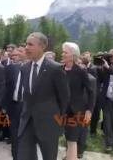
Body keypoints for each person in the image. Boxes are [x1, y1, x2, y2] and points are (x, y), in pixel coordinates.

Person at [17, 32, 70, 160]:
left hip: (48, 124)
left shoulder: (55, 69)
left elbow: (64, 97)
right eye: (26, 44)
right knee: (23, 156)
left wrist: (58, 121)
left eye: (30, 44)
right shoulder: (24, 68)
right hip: (27, 123)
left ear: (43, 47)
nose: (26, 48)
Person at [61, 42, 95, 160]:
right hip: (62, 111)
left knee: (72, 138)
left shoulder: (80, 71)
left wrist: (89, 110)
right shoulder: (60, 70)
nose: (62, 54)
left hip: (77, 111)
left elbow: (91, 92)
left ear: (73, 55)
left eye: (65, 52)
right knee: (68, 138)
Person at [5, 46, 27, 160]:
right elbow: (6, 88)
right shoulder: (11, 68)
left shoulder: (35, 69)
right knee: (14, 134)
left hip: (28, 107)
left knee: (26, 135)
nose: (18, 53)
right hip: (14, 105)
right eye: (18, 51)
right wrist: (5, 108)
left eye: (21, 51)